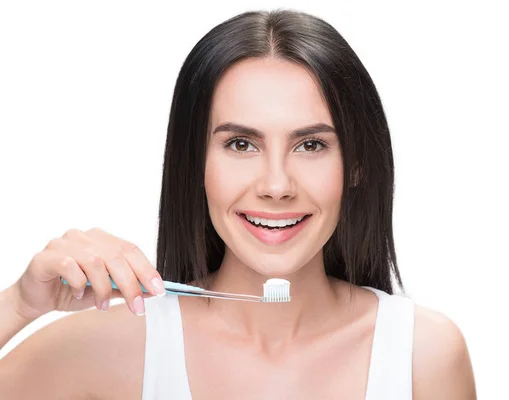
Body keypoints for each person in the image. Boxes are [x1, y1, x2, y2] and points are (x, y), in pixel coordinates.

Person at [0, 9, 476, 399]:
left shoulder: (423, 355)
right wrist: (18, 305)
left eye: (310, 145)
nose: (275, 185)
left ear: (356, 167)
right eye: (241, 145)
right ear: (196, 164)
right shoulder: (109, 346)